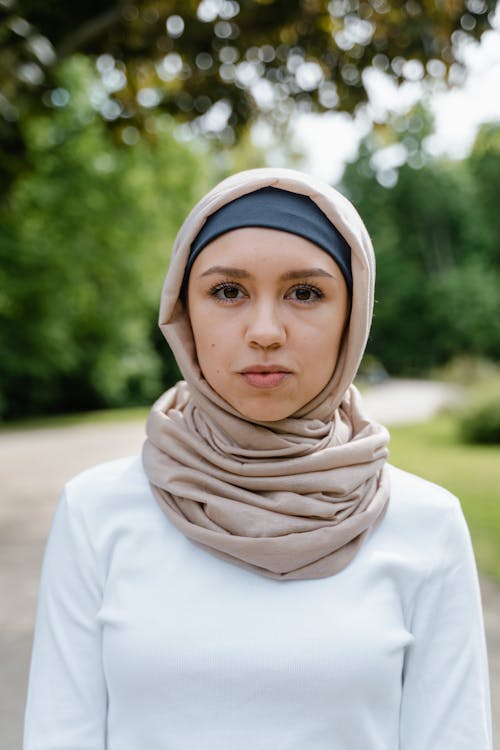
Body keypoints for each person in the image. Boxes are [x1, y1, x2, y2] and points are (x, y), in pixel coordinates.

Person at [24, 167, 491, 749]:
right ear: (183, 311)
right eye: (227, 292)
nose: (265, 331)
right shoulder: (95, 513)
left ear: (354, 314)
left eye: (305, 293)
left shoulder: (427, 524)